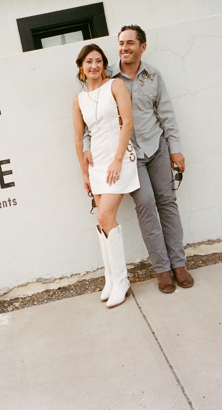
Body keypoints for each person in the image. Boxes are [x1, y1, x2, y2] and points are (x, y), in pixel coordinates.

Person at [108, 25, 191, 293]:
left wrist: (175, 149)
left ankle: (179, 264)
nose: (124, 48)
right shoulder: (110, 78)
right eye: (121, 43)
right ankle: (162, 269)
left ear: (142, 46)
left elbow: (166, 113)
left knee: (167, 202)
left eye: (130, 43)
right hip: (129, 156)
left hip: (156, 147)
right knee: (145, 204)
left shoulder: (153, 76)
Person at [72, 44, 139, 308]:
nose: (94, 66)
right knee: (101, 223)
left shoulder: (116, 86)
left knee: (104, 216)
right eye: (89, 61)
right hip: (97, 163)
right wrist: (84, 172)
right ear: (81, 67)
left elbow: (129, 122)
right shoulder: (78, 101)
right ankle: (111, 278)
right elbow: (78, 138)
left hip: (118, 160)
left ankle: (122, 280)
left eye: (98, 61)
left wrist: (118, 159)